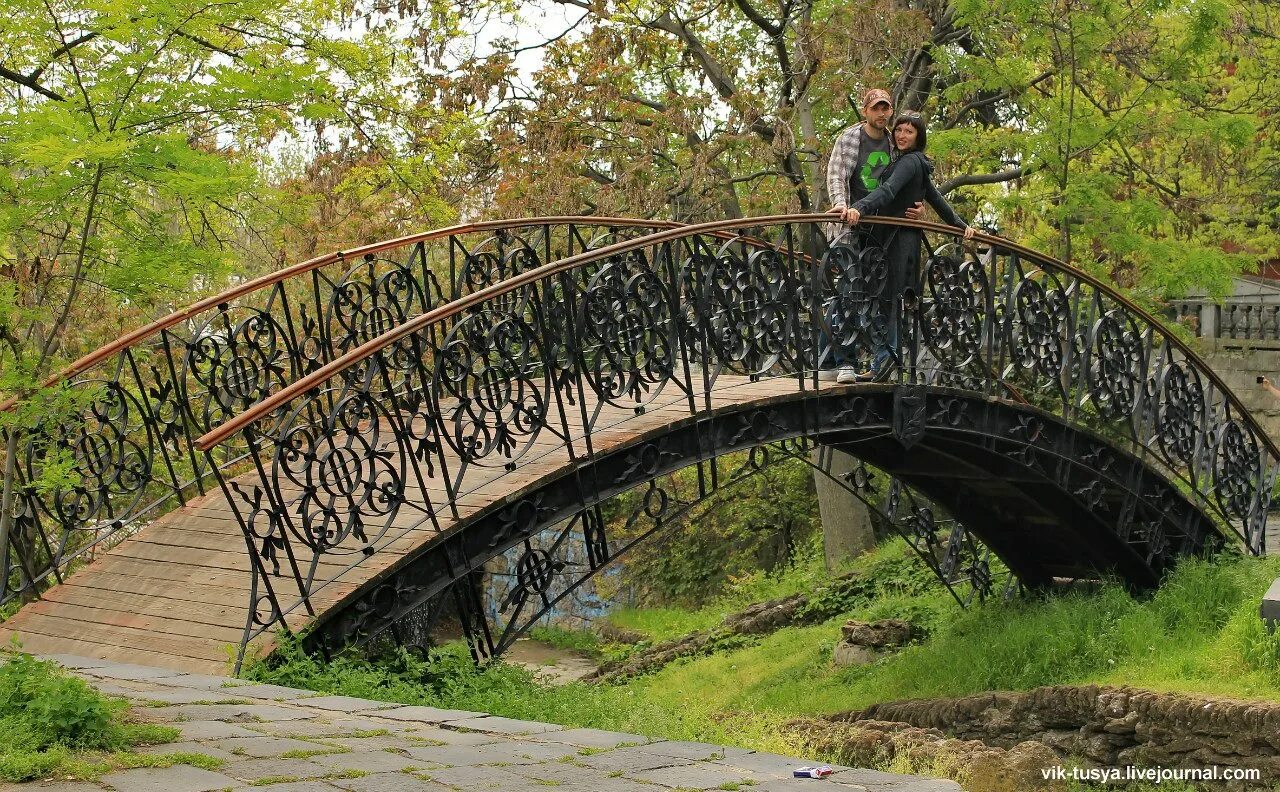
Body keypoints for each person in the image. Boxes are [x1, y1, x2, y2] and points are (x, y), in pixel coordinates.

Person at [837, 114, 976, 381]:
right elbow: (936, 199)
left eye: (909, 132)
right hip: (895, 239)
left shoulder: (910, 162)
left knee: (889, 300)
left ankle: (885, 362)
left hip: (898, 242)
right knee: (886, 300)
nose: (901, 135)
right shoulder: (911, 162)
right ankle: (882, 362)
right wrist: (960, 225)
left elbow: (889, 191)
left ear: (918, 137)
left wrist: (858, 207)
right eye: (898, 130)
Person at [822, 88, 927, 383]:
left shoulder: (896, 145)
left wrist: (919, 211)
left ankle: (830, 359)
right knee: (849, 291)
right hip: (849, 227)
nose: (882, 115)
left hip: (880, 231)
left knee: (873, 295)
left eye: (886, 109)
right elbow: (836, 175)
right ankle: (845, 362)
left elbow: (901, 185)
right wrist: (843, 207)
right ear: (866, 111)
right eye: (876, 109)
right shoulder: (851, 138)